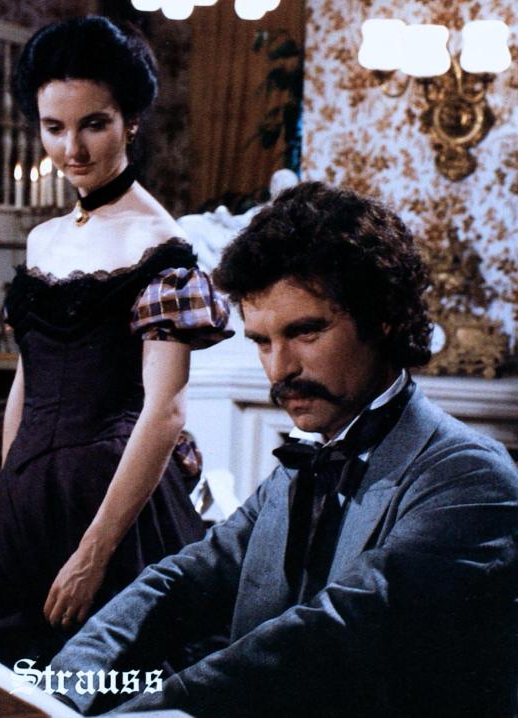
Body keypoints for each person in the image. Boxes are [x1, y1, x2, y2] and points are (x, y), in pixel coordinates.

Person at [47, 181, 518, 716]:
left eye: (306, 333)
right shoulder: (301, 466)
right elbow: (181, 580)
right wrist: (62, 689)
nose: (280, 369)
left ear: (382, 317)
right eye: (262, 342)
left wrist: (138, 713)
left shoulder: (473, 480)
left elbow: (324, 639)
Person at [0, 16, 232, 667]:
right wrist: (9, 489)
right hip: (28, 496)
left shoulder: (160, 244)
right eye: (54, 127)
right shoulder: (43, 239)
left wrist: (93, 552)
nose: (71, 148)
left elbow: (165, 411)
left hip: (111, 502)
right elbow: (26, 381)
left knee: (102, 679)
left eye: (93, 124)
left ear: (130, 121)